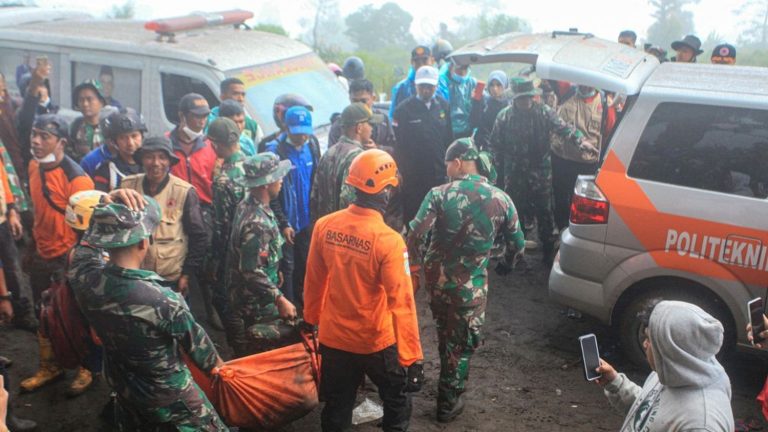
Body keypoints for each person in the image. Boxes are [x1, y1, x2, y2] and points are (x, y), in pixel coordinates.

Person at [69, 194, 228, 431]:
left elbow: (85, 250)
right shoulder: (163, 300)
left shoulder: (84, 279)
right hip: (171, 401)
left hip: (126, 392)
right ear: (145, 242)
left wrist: (105, 206)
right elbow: (206, 358)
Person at [304, 149, 424, 432]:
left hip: (334, 339)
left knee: (337, 406)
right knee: (396, 399)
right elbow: (402, 303)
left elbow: (314, 279)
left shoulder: (325, 226)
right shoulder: (389, 242)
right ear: (387, 191)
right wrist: (411, 357)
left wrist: (311, 319)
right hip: (375, 342)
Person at [407, 139, 524, 422]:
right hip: (470, 289)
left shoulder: (438, 194)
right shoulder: (501, 198)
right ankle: (448, 403)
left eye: (448, 163)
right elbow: (517, 244)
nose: (446, 168)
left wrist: (417, 267)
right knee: (461, 345)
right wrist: (505, 265)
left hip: (438, 286)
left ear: (458, 162)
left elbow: (414, 234)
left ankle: (448, 383)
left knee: (445, 334)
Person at [20, 114, 95, 393]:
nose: (36, 141)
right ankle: (49, 366)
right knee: (43, 313)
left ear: (61, 141)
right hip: (42, 254)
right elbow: (39, 212)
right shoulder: (32, 166)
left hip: (68, 259)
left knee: (76, 316)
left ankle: (87, 368)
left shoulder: (77, 179)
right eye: (33, 135)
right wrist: (31, 248)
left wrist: (80, 262)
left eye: (44, 136)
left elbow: (89, 231)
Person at [490, 79, 598, 265]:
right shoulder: (504, 117)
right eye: (522, 98)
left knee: (544, 211)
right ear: (515, 99)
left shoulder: (544, 112)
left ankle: (548, 251)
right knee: (515, 211)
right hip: (515, 172)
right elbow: (495, 145)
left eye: (528, 97)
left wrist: (581, 141)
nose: (526, 101)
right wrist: (494, 171)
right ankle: (515, 252)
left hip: (540, 171)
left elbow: (564, 128)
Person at [595, 301, 734, 432]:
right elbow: (650, 412)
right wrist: (615, 384)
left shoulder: (702, 424)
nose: (645, 344)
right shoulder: (674, 371)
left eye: (649, 339)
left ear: (671, 348)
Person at [223, 153, 298, 357]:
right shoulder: (256, 223)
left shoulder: (249, 205)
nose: (281, 180)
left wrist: (276, 269)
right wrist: (279, 299)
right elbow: (251, 270)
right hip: (255, 304)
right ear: (265, 184)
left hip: (256, 294)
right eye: (277, 176)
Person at [120, 136, 207, 297]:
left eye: (162, 157)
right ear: (142, 160)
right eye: (149, 157)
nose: (155, 163)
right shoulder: (127, 186)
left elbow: (199, 236)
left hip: (170, 278)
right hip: (135, 275)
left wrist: (186, 274)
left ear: (170, 161)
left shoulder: (184, 191)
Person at [168, 93, 218, 324]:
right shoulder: (167, 144)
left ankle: (209, 314)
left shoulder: (210, 145)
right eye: (196, 116)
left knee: (205, 268)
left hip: (204, 212)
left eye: (205, 116)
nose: (201, 121)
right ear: (182, 116)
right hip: (175, 213)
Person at [265, 106, 320, 309]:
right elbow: (271, 195)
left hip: (306, 220)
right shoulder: (275, 152)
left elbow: (316, 179)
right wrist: (283, 222)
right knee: (287, 267)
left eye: (306, 132)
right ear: (286, 127)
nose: (303, 137)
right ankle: (290, 310)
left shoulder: (312, 145)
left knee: (305, 262)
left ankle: (304, 302)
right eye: (298, 133)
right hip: (286, 223)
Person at [392, 65, 453, 222]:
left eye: (430, 86)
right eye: (422, 86)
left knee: (439, 216)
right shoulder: (403, 110)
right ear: (416, 86)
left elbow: (449, 139)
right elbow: (398, 146)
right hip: (413, 177)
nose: (426, 90)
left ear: (436, 86)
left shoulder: (444, 106)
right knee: (415, 217)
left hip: (438, 173)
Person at [551, 85, 616, 230]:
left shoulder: (605, 103)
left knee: (583, 201)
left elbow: (609, 133)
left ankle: (578, 231)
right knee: (560, 196)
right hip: (562, 158)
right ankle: (561, 228)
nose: (584, 85)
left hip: (587, 164)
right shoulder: (566, 92)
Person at [311, 103, 382, 223]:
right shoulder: (359, 158)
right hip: (346, 233)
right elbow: (351, 203)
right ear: (359, 128)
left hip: (326, 229)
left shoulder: (328, 153)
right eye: (369, 124)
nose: (372, 129)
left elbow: (314, 196)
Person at [208, 117, 246, 338]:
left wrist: (213, 262)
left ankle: (239, 344)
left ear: (215, 144)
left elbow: (221, 228)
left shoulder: (223, 181)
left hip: (232, 251)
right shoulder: (253, 165)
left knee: (223, 299)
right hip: (254, 242)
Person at [15, 58, 58, 174]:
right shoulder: (23, 114)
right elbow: (28, 108)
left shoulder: (54, 111)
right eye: (36, 87)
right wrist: (36, 81)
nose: (41, 90)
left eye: (43, 86)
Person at [329, 78, 397, 149]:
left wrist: (377, 148)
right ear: (349, 99)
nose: (359, 105)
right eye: (355, 101)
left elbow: (395, 149)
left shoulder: (383, 121)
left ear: (373, 98)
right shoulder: (340, 124)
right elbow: (333, 154)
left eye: (363, 101)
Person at [92, 107, 145, 192]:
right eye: (123, 138)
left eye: (134, 136)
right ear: (114, 141)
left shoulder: (151, 166)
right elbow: (99, 199)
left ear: (142, 136)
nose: (130, 143)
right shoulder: (106, 170)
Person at [207, 77, 263, 145]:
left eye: (243, 94)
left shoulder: (252, 125)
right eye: (235, 94)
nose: (241, 99)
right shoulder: (208, 121)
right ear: (222, 96)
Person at [68, 79, 108, 162]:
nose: (85, 104)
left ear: (101, 102)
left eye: (89, 99)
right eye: (81, 100)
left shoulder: (109, 128)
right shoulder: (75, 127)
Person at [389, 45, 434, 118]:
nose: (421, 65)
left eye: (424, 60)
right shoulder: (402, 87)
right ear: (411, 62)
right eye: (417, 62)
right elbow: (394, 116)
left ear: (432, 61)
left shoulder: (441, 83)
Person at [470, 70, 509, 150]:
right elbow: (474, 122)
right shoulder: (484, 102)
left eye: (499, 85)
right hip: (484, 146)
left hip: (504, 146)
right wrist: (476, 103)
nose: (495, 89)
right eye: (492, 85)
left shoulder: (510, 104)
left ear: (505, 85)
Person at [437, 61, 477, 138]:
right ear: (451, 67)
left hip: (467, 131)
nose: (462, 73)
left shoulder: (471, 83)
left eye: (465, 69)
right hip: (448, 131)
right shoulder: (442, 83)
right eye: (459, 69)